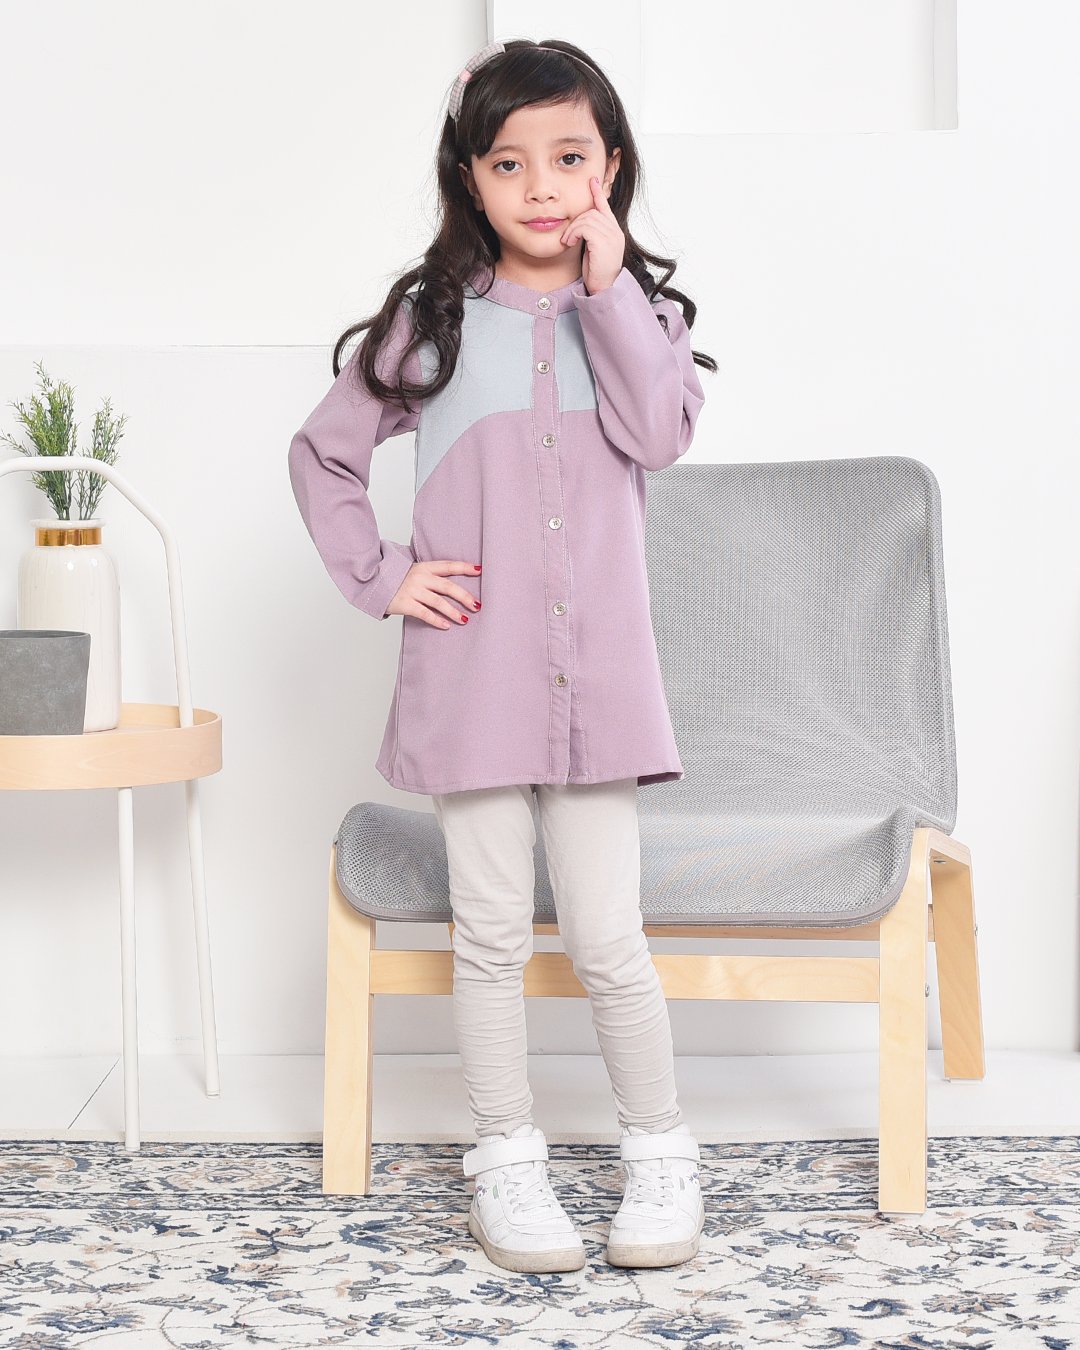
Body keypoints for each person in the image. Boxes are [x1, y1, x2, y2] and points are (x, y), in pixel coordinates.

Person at [288, 36, 716, 1276]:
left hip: (602, 690)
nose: (539, 186)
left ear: (609, 170)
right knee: (487, 933)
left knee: (607, 937)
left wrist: (610, 290)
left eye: (567, 158)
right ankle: (507, 1164)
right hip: (472, 680)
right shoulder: (431, 325)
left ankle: (660, 1151)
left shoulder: (643, 321)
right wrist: (383, 576)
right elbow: (323, 454)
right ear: (470, 180)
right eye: (508, 162)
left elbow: (659, 433)